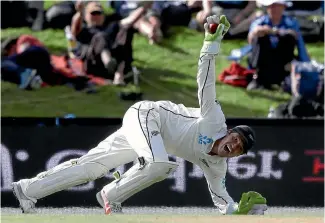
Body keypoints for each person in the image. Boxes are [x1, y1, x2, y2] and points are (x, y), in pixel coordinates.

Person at [12, 15, 267, 216]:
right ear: (229, 132)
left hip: (148, 137)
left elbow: (221, 198)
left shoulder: (216, 165)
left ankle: (27, 189)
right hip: (147, 115)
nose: (233, 146)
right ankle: (111, 196)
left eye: (238, 150)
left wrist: (239, 211)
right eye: (235, 140)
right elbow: (206, 82)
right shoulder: (215, 121)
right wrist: (211, 43)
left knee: (92, 168)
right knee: (158, 164)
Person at [247, 0, 309, 90]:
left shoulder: (291, 23)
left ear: (283, 7)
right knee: (260, 37)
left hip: (281, 60)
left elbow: (299, 43)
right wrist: (265, 31)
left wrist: (306, 64)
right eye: (272, 6)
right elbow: (251, 37)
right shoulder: (260, 21)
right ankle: (257, 78)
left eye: (277, 6)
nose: (274, 9)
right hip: (263, 58)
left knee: (289, 37)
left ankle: (285, 78)